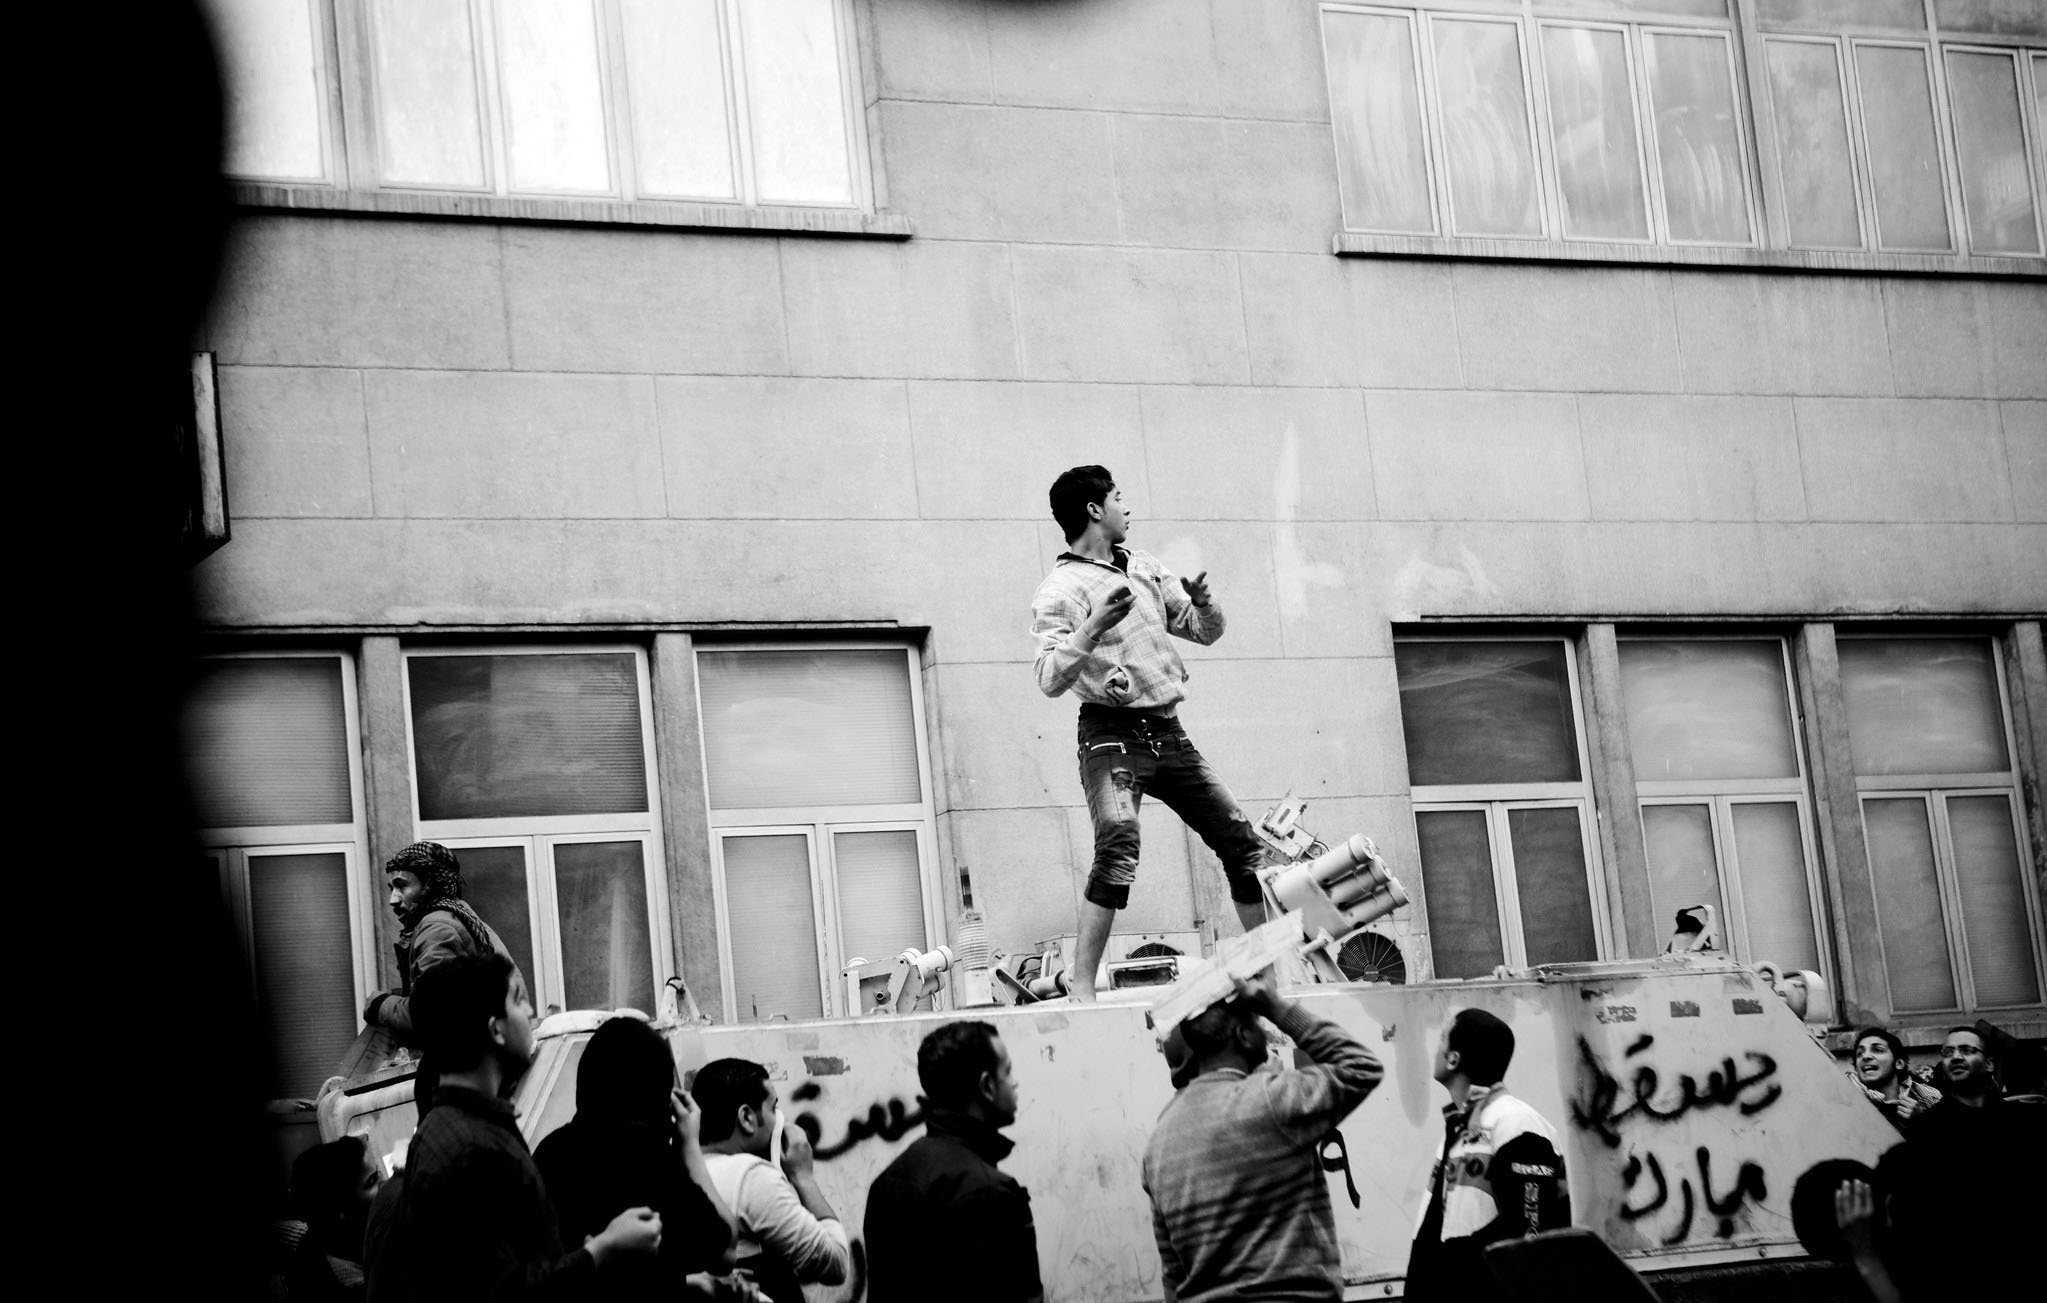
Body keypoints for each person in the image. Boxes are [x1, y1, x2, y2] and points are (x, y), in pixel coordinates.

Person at [1030, 465, 1270, 1001]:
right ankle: (1082, 987)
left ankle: (1269, 973)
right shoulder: (1060, 589)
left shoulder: (1145, 568)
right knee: (1119, 842)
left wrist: (1204, 603)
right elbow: (1048, 677)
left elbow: (1204, 632)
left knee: (1241, 842)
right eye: (1119, 497)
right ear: (1095, 510)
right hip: (1110, 735)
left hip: (1168, 730)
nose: (1127, 507)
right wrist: (1091, 627)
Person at [363, 953, 661, 1302]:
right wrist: (605, 1249)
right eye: (518, 999)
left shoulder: (453, 1127)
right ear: (496, 1030)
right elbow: (502, 1301)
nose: (532, 1012)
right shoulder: (472, 1146)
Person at [1142, 972, 1384, 1302]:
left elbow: (1173, 1274)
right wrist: (1276, 1007)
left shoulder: (1159, 1140)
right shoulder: (1270, 1101)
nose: (1266, 1032)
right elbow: (1361, 1067)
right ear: (1243, 1035)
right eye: (1258, 1024)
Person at [533, 1016, 745, 1302]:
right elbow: (724, 1252)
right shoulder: (646, 1151)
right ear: (657, 1092)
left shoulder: (550, 1150)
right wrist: (690, 1146)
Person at [865, 1021, 1043, 1303]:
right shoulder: (990, 1192)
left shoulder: (889, 1181)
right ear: (987, 1086)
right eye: (1007, 1071)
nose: (1014, 1082)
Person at [1404, 1008, 1570, 1303]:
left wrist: (1452, 1265)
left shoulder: (1517, 1124)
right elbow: (1435, 1228)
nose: (1437, 1048)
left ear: (1453, 1058)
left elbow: (1529, 1229)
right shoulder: (1462, 1127)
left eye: (1442, 1038)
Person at [696, 1058, 851, 1303]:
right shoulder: (749, 1178)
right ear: (746, 1117)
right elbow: (835, 1265)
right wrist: (803, 1177)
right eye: (772, 1107)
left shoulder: (681, 1169)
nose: (779, 1118)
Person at [363, 842, 525, 1043]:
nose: (393, 900)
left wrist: (379, 1005)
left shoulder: (438, 928)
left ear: (431, 885)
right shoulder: (458, 915)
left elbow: (429, 1016)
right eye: (392, 888)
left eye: (402, 885)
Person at [284, 1136, 381, 1302]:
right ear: (340, 1209)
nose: (384, 1183)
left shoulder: (319, 1239)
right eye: (372, 1181)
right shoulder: (357, 1290)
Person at [1847, 1027, 1939, 1130]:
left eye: (1878, 1050)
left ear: (1899, 1063)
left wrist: (1924, 1119)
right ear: (1856, 1068)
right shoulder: (1846, 1094)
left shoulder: (1928, 1098)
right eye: (1859, 1053)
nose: (1865, 1056)